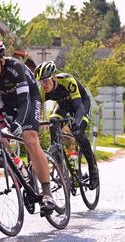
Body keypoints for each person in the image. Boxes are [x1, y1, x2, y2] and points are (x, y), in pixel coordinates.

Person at [0, 40, 55, 211]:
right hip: (6, 101)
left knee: (29, 138)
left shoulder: (15, 67)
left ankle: (47, 193)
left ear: (1, 61)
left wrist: (19, 122)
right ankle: (18, 164)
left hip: (29, 99)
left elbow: (24, 101)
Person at [34, 60, 99, 190]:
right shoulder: (43, 91)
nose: (44, 85)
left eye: (46, 80)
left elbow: (79, 107)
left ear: (53, 77)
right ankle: (61, 167)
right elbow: (37, 111)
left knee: (78, 133)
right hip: (63, 106)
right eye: (41, 81)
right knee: (53, 121)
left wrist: (76, 122)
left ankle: (93, 171)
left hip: (80, 104)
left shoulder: (67, 80)